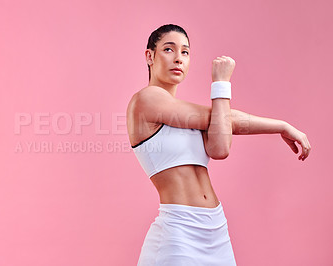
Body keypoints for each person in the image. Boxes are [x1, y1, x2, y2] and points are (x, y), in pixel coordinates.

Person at [126, 24, 311, 266]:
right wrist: (221, 83)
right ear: (150, 56)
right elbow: (223, 119)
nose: (178, 59)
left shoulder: (185, 113)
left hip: (216, 229)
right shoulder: (146, 99)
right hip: (179, 231)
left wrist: (281, 126)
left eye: (185, 52)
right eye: (169, 49)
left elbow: (220, 147)